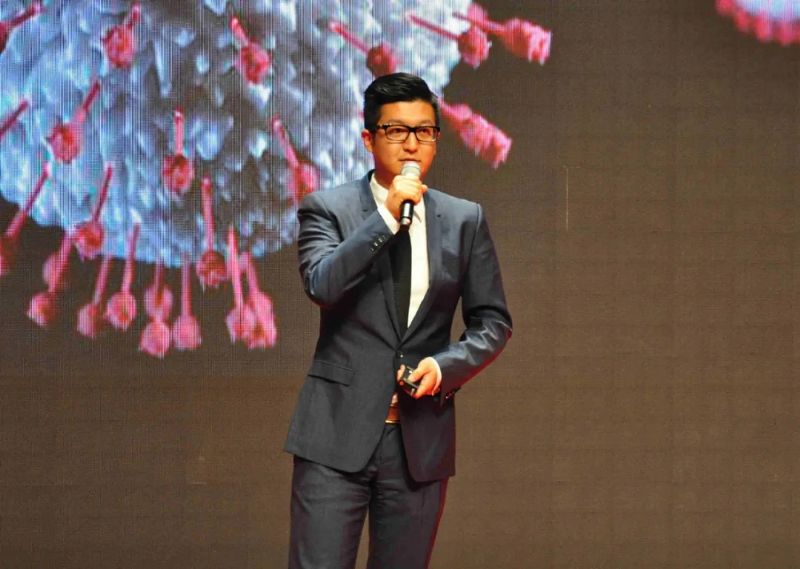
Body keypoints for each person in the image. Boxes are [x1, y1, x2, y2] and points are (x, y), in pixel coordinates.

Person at [285, 72, 512, 569]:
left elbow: (492, 321)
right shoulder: (328, 209)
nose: (412, 144)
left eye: (424, 131)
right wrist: (386, 218)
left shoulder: (464, 219)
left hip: (418, 441)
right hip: (335, 435)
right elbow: (322, 284)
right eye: (396, 131)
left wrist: (446, 367)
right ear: (369, 139)